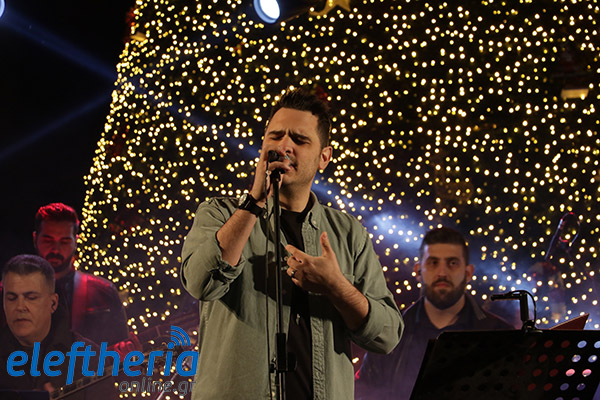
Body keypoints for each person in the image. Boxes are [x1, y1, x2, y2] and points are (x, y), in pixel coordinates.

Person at [181, 87, 403, 399]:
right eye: (275, 136)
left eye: (299, 140)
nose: (284, 146)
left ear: (324, 157)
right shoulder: (219, 213)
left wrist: (336, 287)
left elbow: (388, 335)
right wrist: (254, 201)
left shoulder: (348, 233)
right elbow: (199, 282)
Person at [355, 227, 514, 399]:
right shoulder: (390, 332)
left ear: (468, 273)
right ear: (418, 271)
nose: (442, 273)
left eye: (452, 263)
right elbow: (364, 393)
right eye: (433, 263)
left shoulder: (500, 334)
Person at [0, 254, 117, 399]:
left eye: (31, 298)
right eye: (11, 298)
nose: (20, 307)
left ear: (53, 303)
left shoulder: (89, 357)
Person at [33, 203, 129, 346]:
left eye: (65, 241)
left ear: (76, 242)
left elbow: (121, 349)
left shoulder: (103, 292)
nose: (55, 249)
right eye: (48, 240)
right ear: (35, 239)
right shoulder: (8, 293)